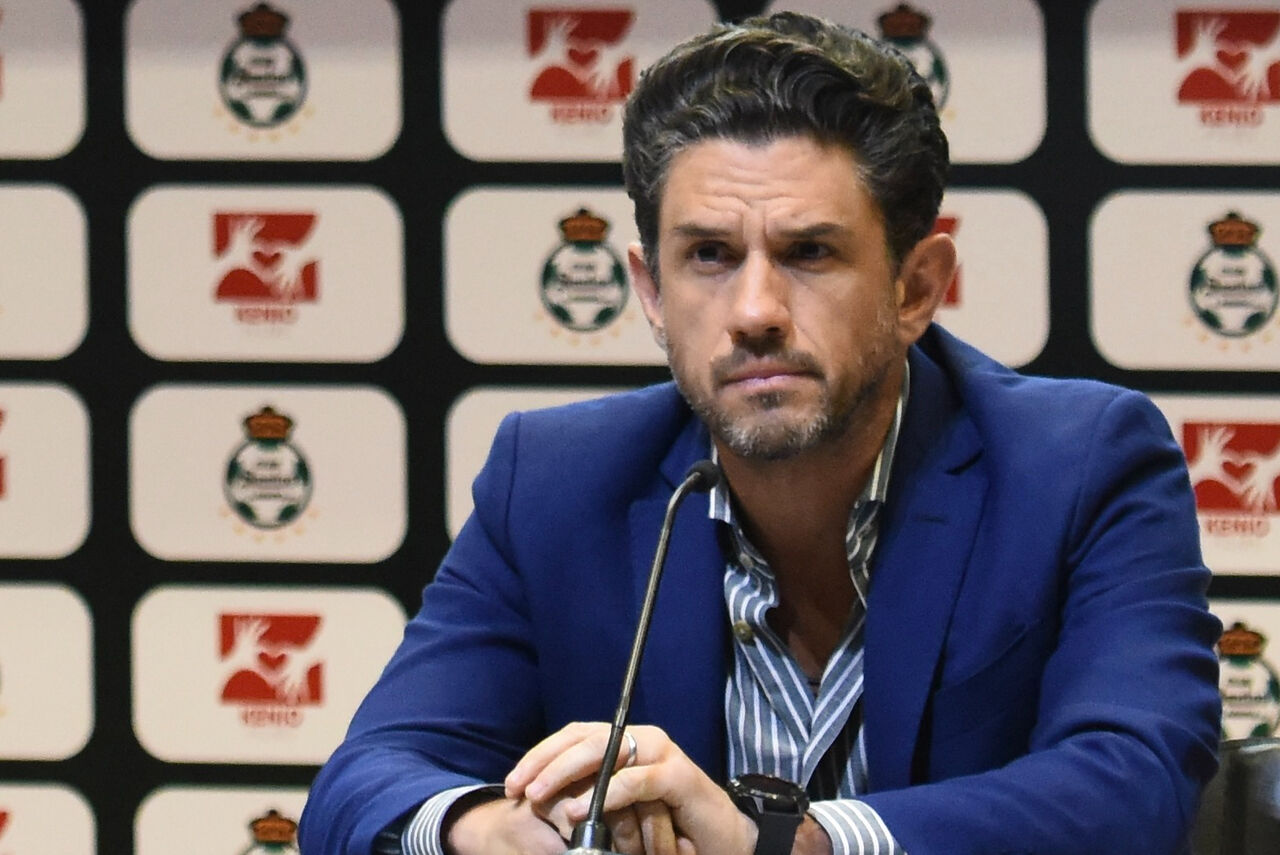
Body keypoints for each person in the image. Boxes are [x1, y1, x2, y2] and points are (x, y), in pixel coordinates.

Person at [299, 12, 1222, 855]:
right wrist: (493, 830)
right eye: (708, 255)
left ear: (916, 288)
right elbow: (362, 783)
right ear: (650, 291)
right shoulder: (552, 482)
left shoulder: (1081, 466)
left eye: (808, 252)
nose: (754, 311)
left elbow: (1133, 786)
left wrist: (786, 844)